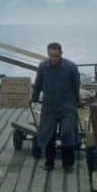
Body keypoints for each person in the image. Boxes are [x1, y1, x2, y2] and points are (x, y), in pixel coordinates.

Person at [31, 42, 81, 172]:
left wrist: (77, 102)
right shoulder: (42, 67)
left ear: (61, 54)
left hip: (67, 105)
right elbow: (37, 84)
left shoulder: (71, 67)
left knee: (67, 132)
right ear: (48, 55)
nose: (54, 59)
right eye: (52, 56)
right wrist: (34, 98)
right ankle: (49, 162)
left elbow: (76, 85)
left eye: (56, 56)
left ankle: (68, 164)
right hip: (49, 105)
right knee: (48, 134)